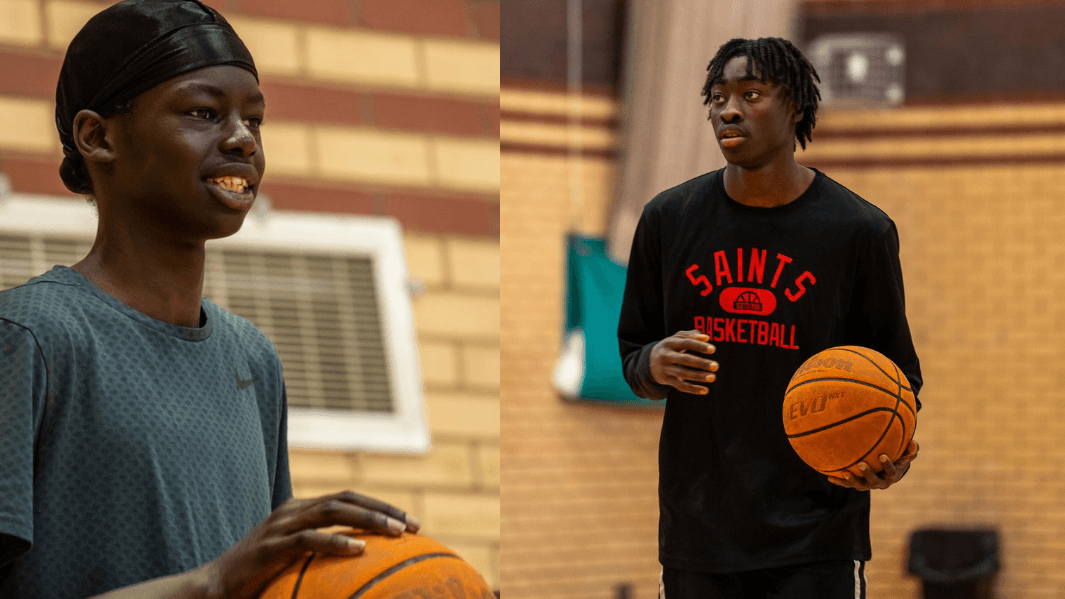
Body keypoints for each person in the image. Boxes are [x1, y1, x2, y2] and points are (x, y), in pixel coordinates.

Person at [0, 1, 418, 597]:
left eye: (255, 120)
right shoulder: (29, 336)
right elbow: (222, 582)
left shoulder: (254, 360)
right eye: (203, 112)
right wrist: (209, 583)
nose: (243, 140)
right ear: (98, 137)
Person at [617, 37, 923, 598]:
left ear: (796, 108)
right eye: (716, 96)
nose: (726, 109)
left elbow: (898, 375)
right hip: (698, 533)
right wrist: (654, 363)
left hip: (816, 539)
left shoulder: (858, 231)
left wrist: (888, 454)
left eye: (750, 93)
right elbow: (633, 355)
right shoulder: (667, 219)